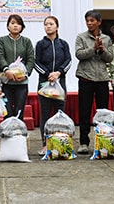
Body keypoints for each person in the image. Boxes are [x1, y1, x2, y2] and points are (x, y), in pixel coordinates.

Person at [75, 9, 114, 154]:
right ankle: (84, 143)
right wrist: (93, 48)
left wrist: (102, 50)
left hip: (102, 79)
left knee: (102, 112)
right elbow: (79, 54)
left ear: (99, 22)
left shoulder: (107, 39)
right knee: (84, 111)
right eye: (87, 21)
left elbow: (110, 58)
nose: (89, 23)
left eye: (92, 20)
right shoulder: (81, 37)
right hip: (86, 78)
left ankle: (102, 140)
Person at [34, 15, 72, 156]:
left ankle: (59, 142)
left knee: (60, 114)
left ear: (57, 26)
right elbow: (36, 62)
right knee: (45, 115)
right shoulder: (40, 44)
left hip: (59, 83)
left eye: (51, 24)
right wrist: (48, 74)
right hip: (44, 83)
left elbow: (68, 61)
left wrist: (58, 73)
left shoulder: (63, 44)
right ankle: (45, 145)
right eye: (46, 24)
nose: (48, 26)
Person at [0, 14, 34, 120]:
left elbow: (31, 59)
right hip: (6, 82)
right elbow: (0, 56)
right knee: (7, 111)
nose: (15, 26)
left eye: (18, 23)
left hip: (22, 82)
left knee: (19, 110)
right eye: (12, 23)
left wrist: (25, 74)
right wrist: (6, 70)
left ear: (22, 26)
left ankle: (19, 134)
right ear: (8, 26)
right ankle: (7, 135)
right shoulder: (2, 40)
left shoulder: (26, 41)